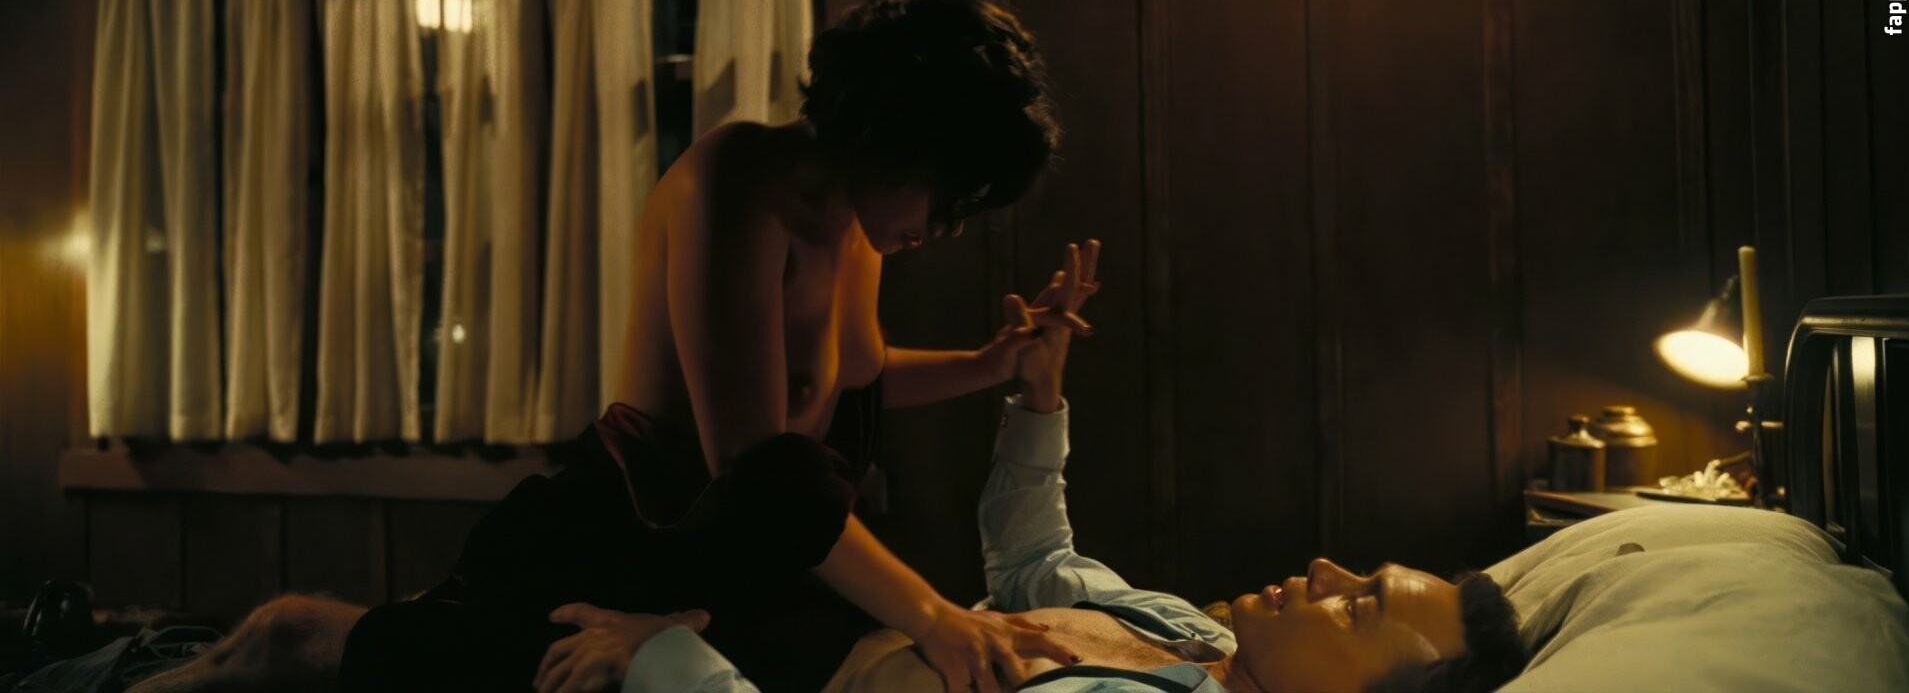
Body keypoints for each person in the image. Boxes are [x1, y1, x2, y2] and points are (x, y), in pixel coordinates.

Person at [126, 0, 1088, 693]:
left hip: (742, 562)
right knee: (333, 653)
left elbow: (842, 384)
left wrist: (992, 365)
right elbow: (759, 468)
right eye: (950, 194)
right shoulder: (743, 179)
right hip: (627, 532)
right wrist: (931, 610)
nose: (946, 227)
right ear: (896, 132)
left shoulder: (861, 234)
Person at [527, 275, 1530, 693]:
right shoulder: (1198, 631)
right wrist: (1037, 396)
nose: (1323, 568)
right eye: (1357, 571)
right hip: (815, 607)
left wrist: (665, 652)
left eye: (1358, 604)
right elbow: (1036, 561)